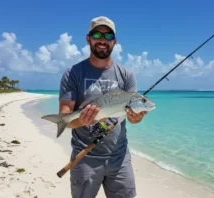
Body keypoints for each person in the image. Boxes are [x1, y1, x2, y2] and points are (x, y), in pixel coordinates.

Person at [59, 16, 147, 198]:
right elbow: (65, 117)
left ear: (114, 41)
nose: (102, 40)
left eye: (108, 36)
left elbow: (130, 118)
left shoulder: (126, 75)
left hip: (120, 158)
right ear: (88, 38)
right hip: (84, 158)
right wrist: (82, 121)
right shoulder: (73, 73)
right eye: (97, 34)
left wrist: (135, 118)